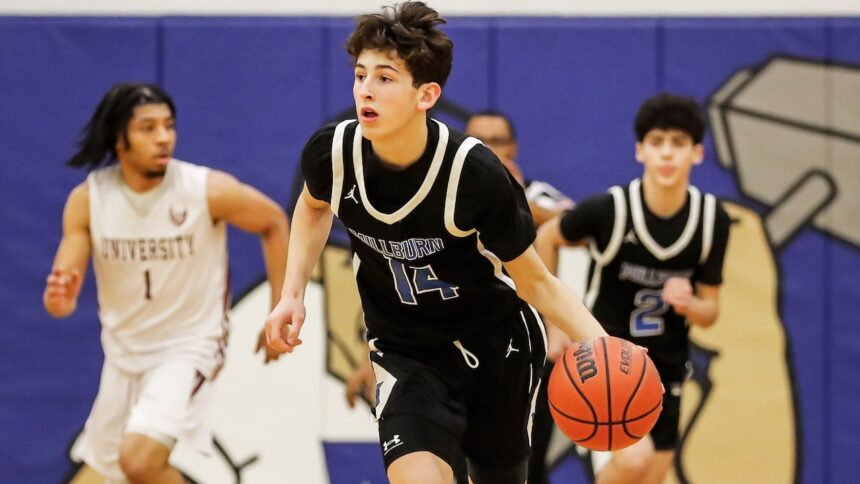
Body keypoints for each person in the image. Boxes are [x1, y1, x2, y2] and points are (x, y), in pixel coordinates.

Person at [264, 2, 608, 483]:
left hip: (497, 349)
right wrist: (292, 294)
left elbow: (537, 282)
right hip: (406, 351)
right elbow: (313, 206)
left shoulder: (474, 174)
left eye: (385, 78)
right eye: (360, 75)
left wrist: (602, 345)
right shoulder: (334, 154)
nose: (366, 89)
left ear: (426, 94)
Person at [43, 83, 289, 483]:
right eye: (148, 128)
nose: (163, 137)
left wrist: (280, 307)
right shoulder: (88, 200)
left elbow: (274, 222)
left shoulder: (204, 190)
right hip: (123, 354)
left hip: (189, 344)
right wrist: (60, 297)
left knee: (140, 461)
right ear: (119, 137)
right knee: (105, 473)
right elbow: (60, 300)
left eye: (169, 126)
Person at [342, 110, 575, 483]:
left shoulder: (534, 193)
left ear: (513, 147)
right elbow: (391, 281)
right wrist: (363, 359)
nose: (488, 147)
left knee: (525, 468)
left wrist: (507, 197)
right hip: (438, 341)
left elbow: (573, 227)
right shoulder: (447, 189)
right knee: (442, 459)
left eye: (497, 140)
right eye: (479, 139)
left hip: (513, 345)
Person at [535, 92, 731, 484]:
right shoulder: (612, 209)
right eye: (657, 142)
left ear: (697, 153)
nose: (667, 153)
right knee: (633, 460)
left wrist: (690, 303)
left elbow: (710, 312)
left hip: (667, 369)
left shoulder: (712, 219)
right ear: (640, 150)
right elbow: (547, 237)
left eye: (678, 143)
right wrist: (554, 326)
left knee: (649, 475)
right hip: (607, 364)